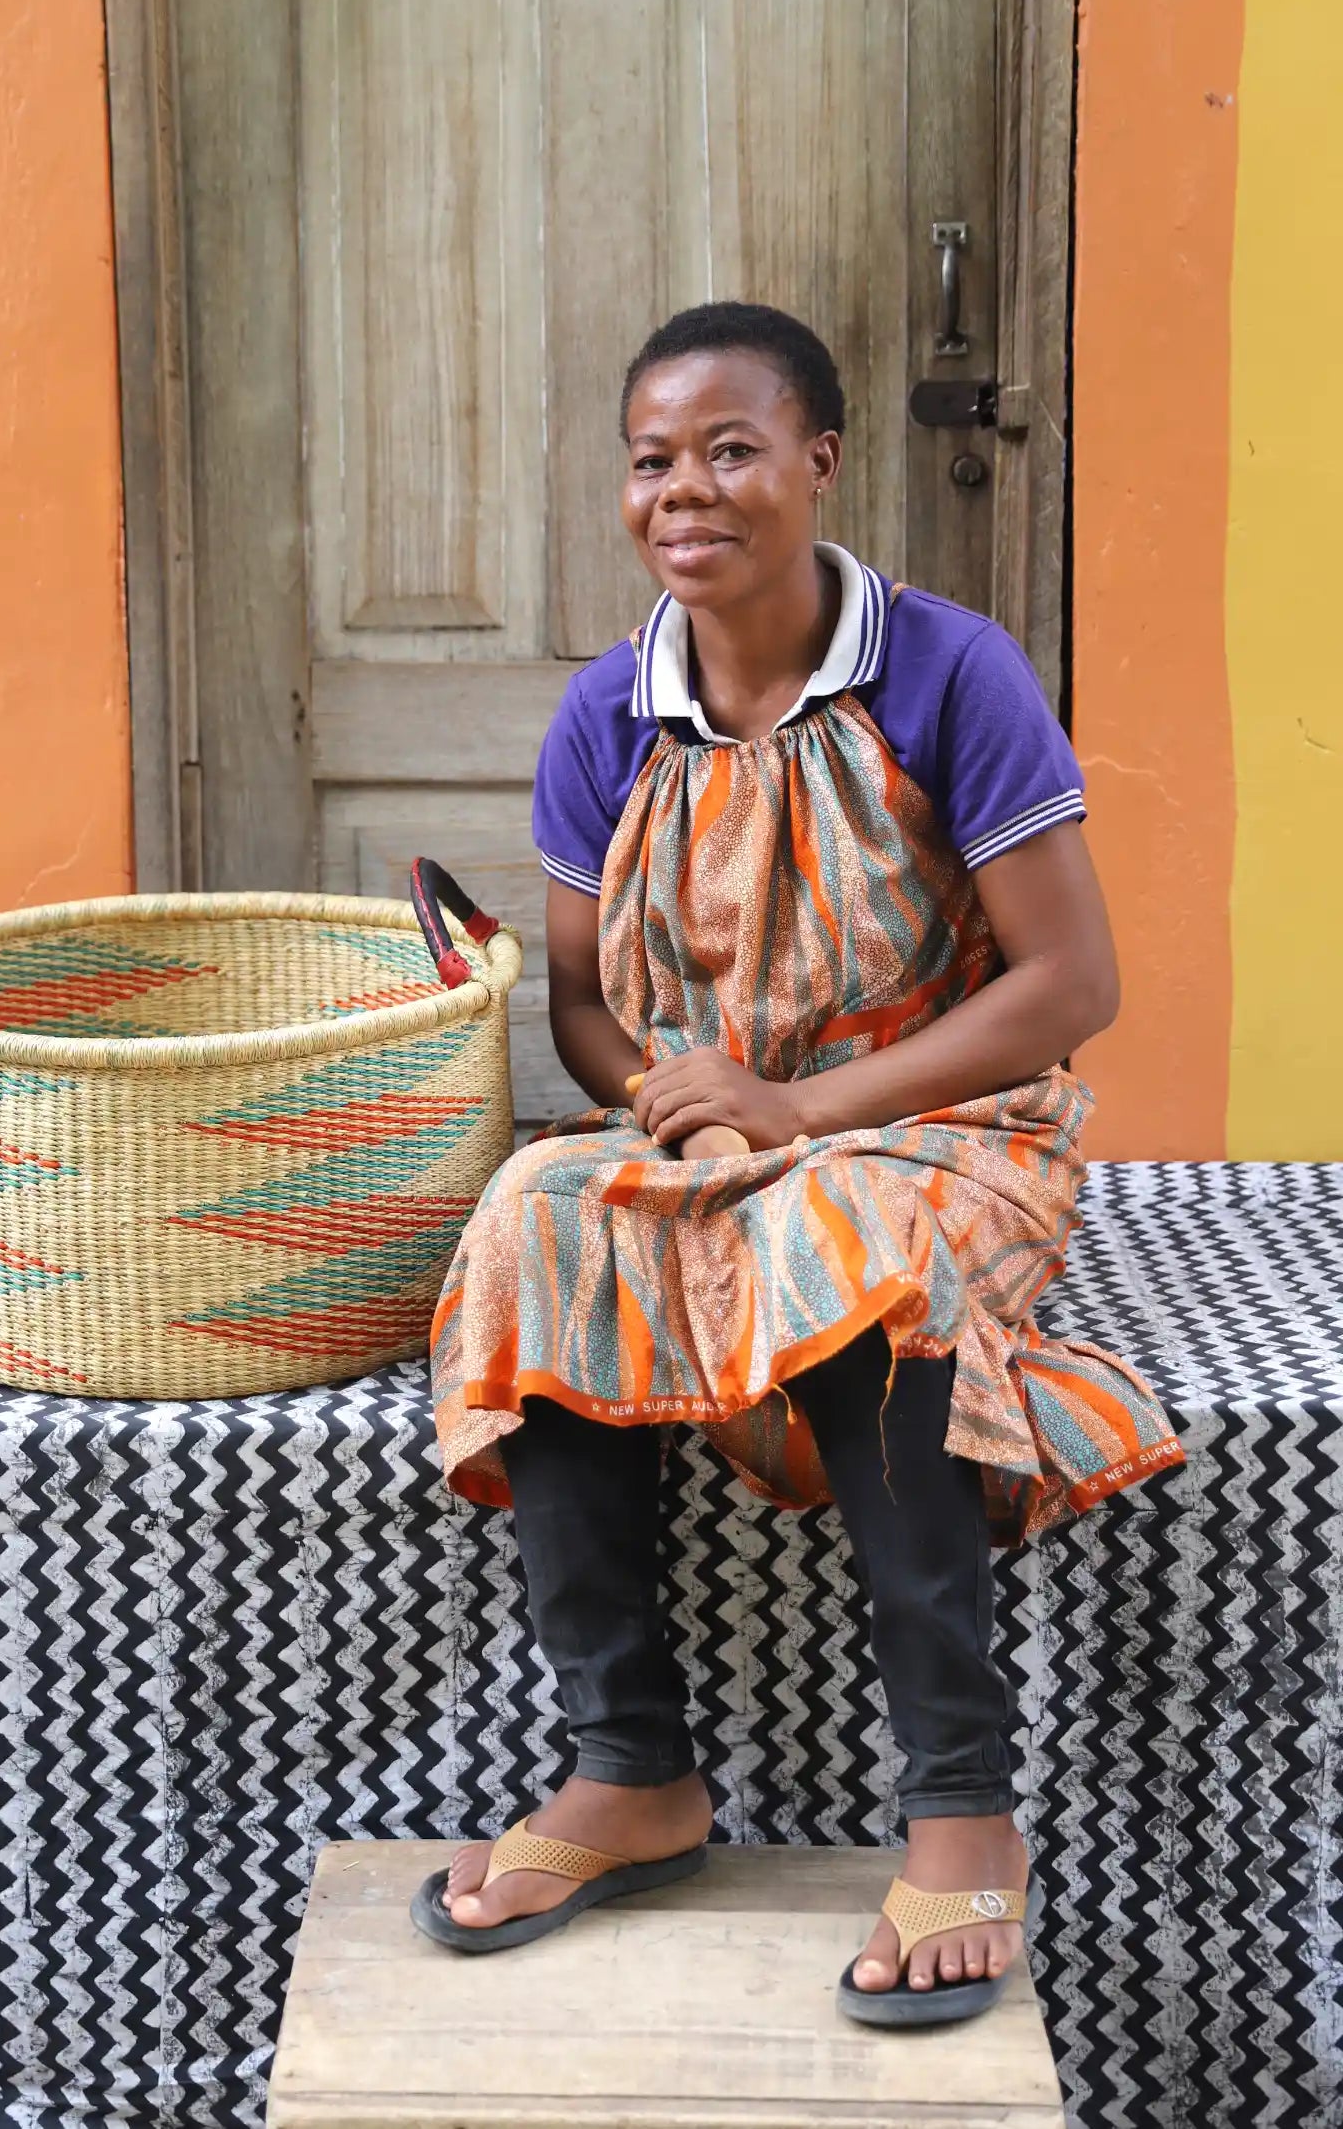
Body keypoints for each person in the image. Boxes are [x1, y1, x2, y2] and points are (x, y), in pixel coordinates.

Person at [411, 302, 1183, 2026]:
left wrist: (801, 1111)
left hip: (938, 1124)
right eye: (651, 460)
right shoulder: (609, 712)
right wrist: (680, 1104)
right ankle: (631, 1767)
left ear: (820, 462)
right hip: (718, 1131)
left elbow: (1071, 986)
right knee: (534, 1219)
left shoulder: (946, 671)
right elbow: (585, 1005)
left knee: (844, 1231)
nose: (684, 489)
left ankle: (962, 1800)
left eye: (731, 449)